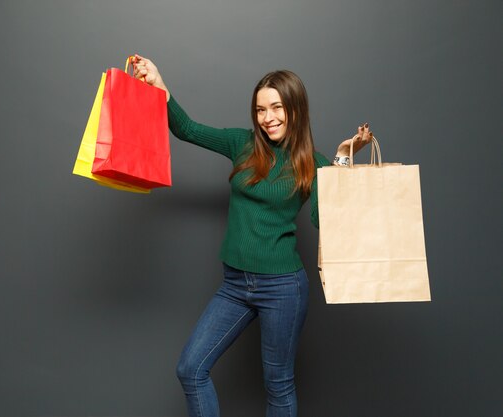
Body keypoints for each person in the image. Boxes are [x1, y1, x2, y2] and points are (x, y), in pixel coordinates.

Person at [131, 54, 373, 417]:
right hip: (235, 284)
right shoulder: (241, 144)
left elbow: (328, 221)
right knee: (191, 369)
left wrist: (339, 161)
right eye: (260, 110)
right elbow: (187, 129)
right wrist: (159, 84)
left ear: (295, 109)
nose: (268, 118)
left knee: (278, 386)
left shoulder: (312, 163)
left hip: (283, 289)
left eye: (276, 107)